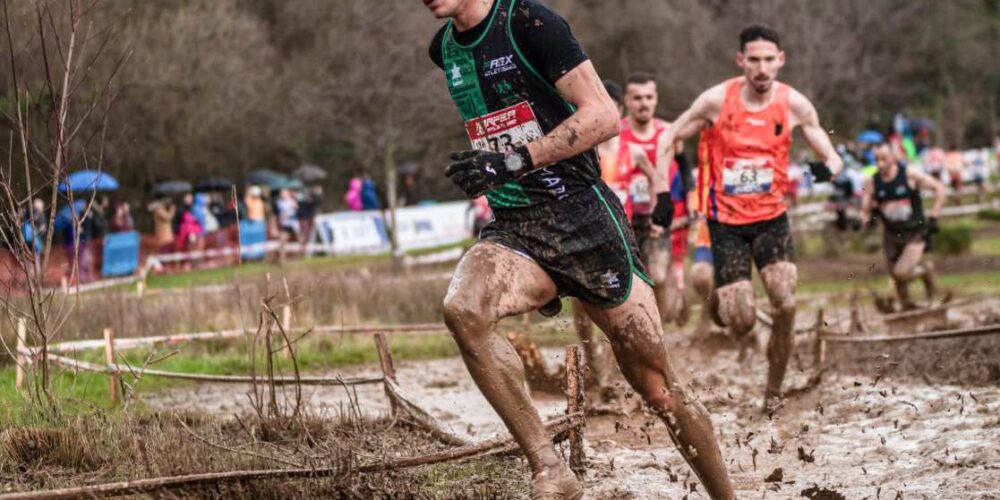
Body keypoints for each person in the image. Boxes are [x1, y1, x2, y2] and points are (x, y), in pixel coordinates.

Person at [424, 1, 733, 498]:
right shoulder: (444, 50)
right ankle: (550, 469)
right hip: (516, 228)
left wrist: (512, 160)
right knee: (463, 309)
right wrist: (491, 166)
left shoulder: (531, 23)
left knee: (659, 387)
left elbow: (604, 117)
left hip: (584, 220)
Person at [659, 24, 843, 411]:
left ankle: (773, 391)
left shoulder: (794, 104)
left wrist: (832, 163)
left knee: (785, 301)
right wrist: (663, 191)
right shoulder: (715, 101)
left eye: (768, 60)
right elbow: (669, 137)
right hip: (725, 225)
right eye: (753, 60)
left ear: (781, 61)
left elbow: (822, 142)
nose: (761, 68)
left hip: (772, 219)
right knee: (740, 320)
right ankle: (719, 305)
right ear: (741, 61)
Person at [620, 73, 679, 324]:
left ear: (656, 99)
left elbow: (679, 173)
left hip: (656, 210)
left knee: (659, 275)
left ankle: (661, 327)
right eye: (637, 98)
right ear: (627, 101)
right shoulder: (615, 132)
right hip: (623, 214)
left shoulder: (668, 132)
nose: (643, 103)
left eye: (649, 97)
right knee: (629, 279)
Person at [861, 143, 945, 310]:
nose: (880, 164)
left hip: (915, 232)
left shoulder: (909, 175)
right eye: (876, 160)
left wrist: (934, 215)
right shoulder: (873, 182)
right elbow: (865, 208)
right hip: (891, 235)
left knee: (902, 273)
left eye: (884, 159)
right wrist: (866, 220)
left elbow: (939, 188)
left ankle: (925, 270)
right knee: (895, 277)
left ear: (893, 157)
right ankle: (908, 308)